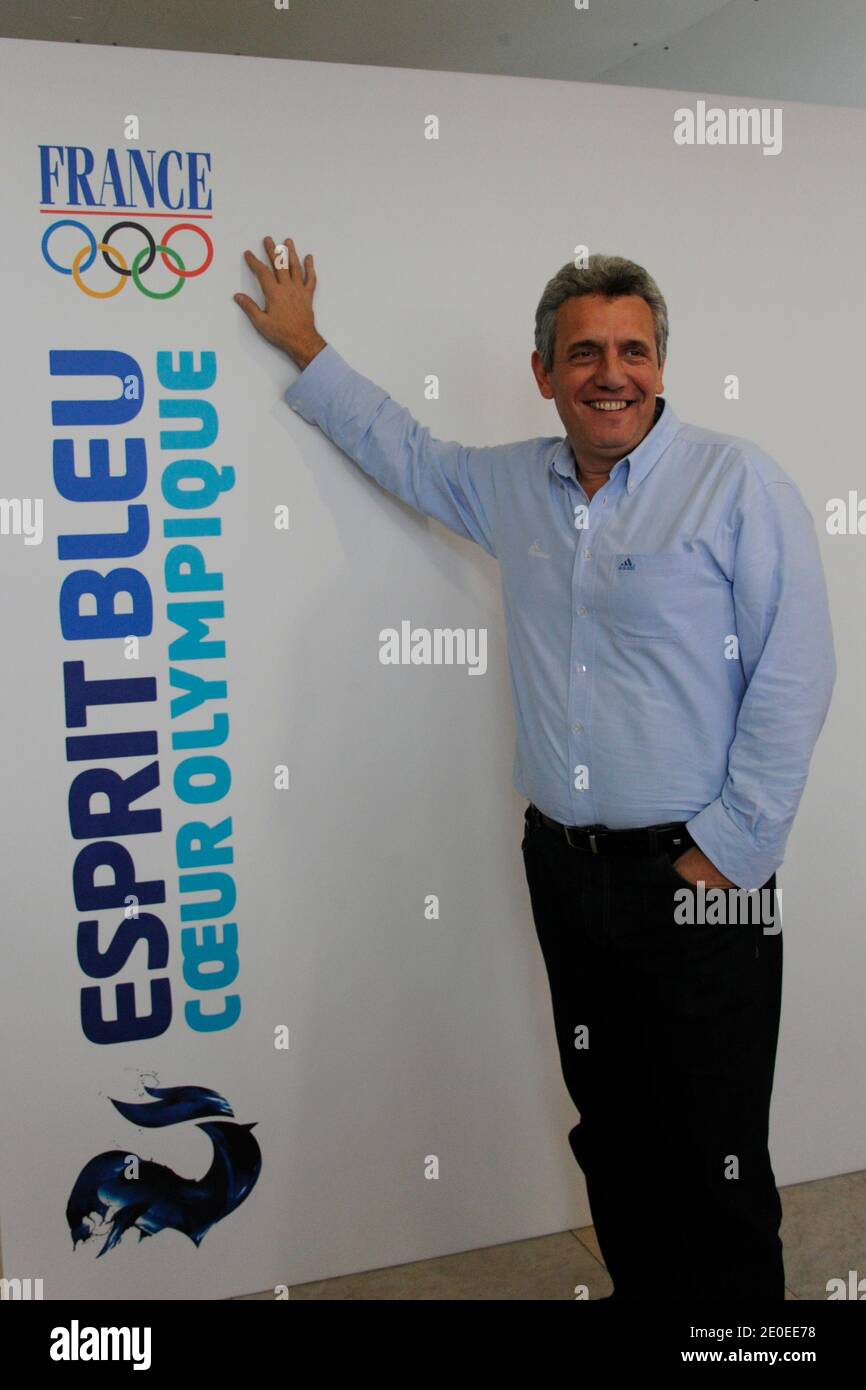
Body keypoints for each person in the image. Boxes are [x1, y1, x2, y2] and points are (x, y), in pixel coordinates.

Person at [235, 241, 836, 1300]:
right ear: (542, 371)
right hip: (565, 871)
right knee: (610, 1130)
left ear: (660, 364)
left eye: (631, 351)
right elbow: (408, 454)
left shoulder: (733, 482)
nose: (610, 373)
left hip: (699, 881)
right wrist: (306, 347)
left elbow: (796, 668)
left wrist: (727, 854)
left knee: (714, 1152)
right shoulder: (516, 484)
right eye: (583, 353)